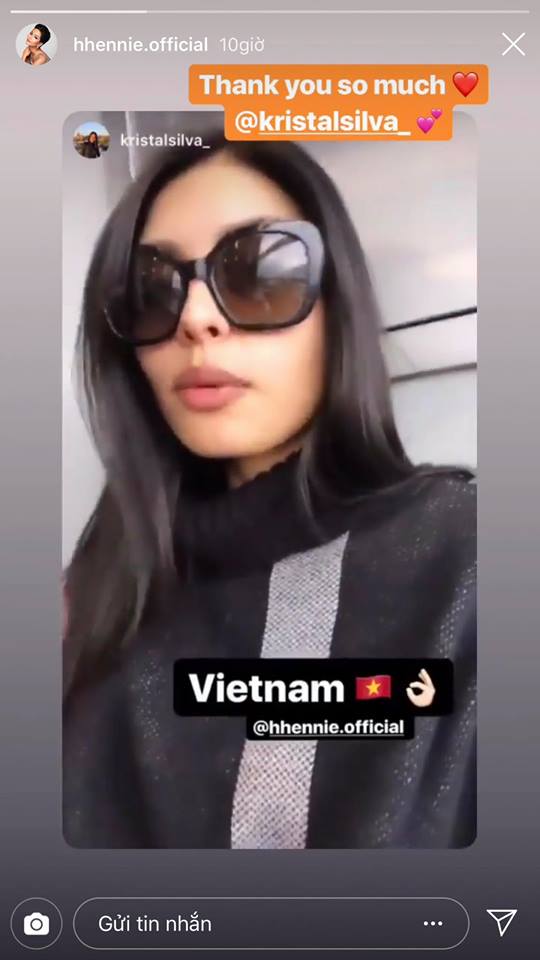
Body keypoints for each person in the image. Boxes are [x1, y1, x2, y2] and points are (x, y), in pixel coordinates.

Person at [62, 133, 476, 849]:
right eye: (153, 289)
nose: (195, 318)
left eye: (259, 269)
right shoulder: (98, 593)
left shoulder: (468, 560)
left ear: (338, 309)